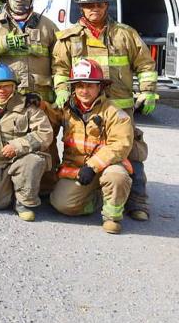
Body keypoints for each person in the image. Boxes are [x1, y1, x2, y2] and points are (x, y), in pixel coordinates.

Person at [51, 0, 156, 222]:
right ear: (81, 8)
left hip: (118, 107)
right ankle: (92, 193)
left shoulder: (125, 35)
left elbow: (145, 64)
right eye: (88, 5)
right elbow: (59, 67)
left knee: (131, 152)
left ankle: (137, 201)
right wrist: (60, 90)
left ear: (107, 5)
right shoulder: (68, 38)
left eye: (99, 4)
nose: (94, 9)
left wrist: (148, 90)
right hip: (84, 106)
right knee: (82, 149)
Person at [0, 0, 59, 192]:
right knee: (4, 144)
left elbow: (60, 62)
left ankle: (46, 190)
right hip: (7, 101)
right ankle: (6, 186)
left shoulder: (48, 26)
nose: (20, 0)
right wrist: (4, 42)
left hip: (39, 99)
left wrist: (61, 90)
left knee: (46, 144)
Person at [50, 59, 134, 234]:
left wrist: (92, 166)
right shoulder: (66, 108)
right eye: (79, 86)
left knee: (117, 177)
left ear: (100, 87)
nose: (84, 91)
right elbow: (49, 117)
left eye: (89, 86)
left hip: (106, 167)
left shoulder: (113, 112)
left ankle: (112, 217)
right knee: (62, 205)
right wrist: (38, 104)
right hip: (78, 170)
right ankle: (97, 198)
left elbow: (120, 144)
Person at [0, 63, 52, 221]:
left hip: (19, 160)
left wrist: (17, 146)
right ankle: (8, 191)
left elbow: (45, 132)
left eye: (7, 86)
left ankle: (24, 203)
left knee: (33, 161)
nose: (2, 91)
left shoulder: (27, 106)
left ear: (14, 87)